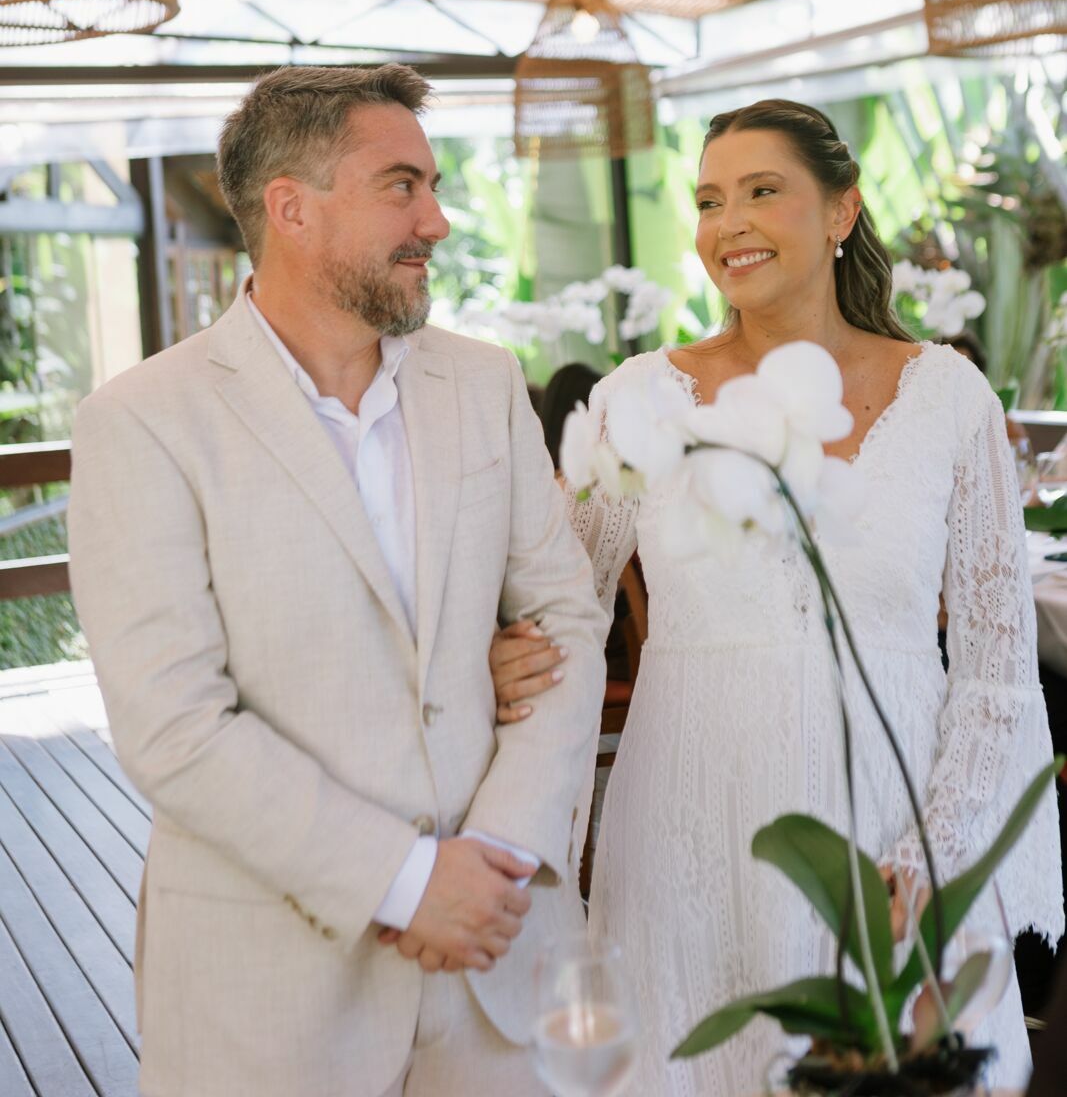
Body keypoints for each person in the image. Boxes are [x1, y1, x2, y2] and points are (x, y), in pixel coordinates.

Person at [491, 98, 1063, 1095]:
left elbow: (995, 668)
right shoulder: (637, 398)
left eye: (762, 191)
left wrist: (932, 854)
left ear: (840, 209)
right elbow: (561, 602)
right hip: (686, 830)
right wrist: (510, 648)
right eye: (709, 200)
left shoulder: (948, 396)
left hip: (891, 836)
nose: (728, 224)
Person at [68, 64, 607, 1097]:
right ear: (291, 209)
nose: (436, 221)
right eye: (401, 186)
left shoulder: (485, 381)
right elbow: (174, 726)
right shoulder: (141, 423)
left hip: (501, 961)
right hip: (270, 995)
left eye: (432, 186)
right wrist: (405, 882)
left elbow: (567, 621)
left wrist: (493, 856)